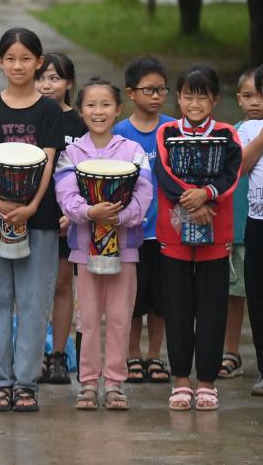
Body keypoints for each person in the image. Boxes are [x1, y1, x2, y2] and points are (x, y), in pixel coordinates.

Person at [0, 27, 63, 412]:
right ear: (0, 62)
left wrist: (31, 206)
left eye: (26, 58)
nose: (18, 65)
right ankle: (0, 381)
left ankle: (26, 382)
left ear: (38, 63)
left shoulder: (48, 111)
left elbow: (48, 162)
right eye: (10, 58)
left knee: (33, 301)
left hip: (38, 217)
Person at [55, 78, 153, 411]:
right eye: (91, 105)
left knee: (119, 317)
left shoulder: (133, 151)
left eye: (106, 105)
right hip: (84, 249)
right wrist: (87, 212)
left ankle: (114, 384)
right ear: (81, 111)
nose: (99, 112)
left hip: (124, 250)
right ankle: (87, 383)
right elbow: (65, 194)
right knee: (88, 318)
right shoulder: (72, 153)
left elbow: (144, 193)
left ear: (118, 110)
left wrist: (121, 217)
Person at [155, 64, 241, 411]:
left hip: (216, 234)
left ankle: (206, 381)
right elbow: (163, 171)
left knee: (211, 310)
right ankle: (181, 380)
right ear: (179, 98)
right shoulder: (166, 132)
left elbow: (231, 173)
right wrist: (193, 200)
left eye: (201, 96)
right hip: (174, 233)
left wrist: (207, 194)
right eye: (188, 95)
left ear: (215, 99)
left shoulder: (226, 134)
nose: (194, 103)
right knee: (177, 309)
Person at [113, 56, 174, 384]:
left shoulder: (172, 129)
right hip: (131, 231)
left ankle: (155, 356)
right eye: (148, 89)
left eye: (161, 89)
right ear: (130, 93)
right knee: (132, 299)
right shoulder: (120, 133)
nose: (156, 95)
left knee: (160, 299)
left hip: (165, 231)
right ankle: (132, 354)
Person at [35, 52, 86, 384]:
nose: (47, 84)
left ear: (69, 83)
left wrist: (74, 211)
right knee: (31, 287)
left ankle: (58, 355)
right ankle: (34, 352)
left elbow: (86, 171)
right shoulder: (29, 115)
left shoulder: (79, 124)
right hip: (32, 214)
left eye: (55, 78)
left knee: (63, 285)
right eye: (42, 77)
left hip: (68, 217)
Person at [219, 68, 262, 379]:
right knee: (235, 295)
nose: (255, 102)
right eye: (248, 96)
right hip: (240, 228)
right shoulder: (233, 133)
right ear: (238, 99)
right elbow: (235, 174)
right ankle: (231, 351)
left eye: (260, 96)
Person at [240, 66, 263, 397]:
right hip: (257, 223)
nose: (257, 101)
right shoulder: (246, 128)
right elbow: (241, 167)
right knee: (258, 298)